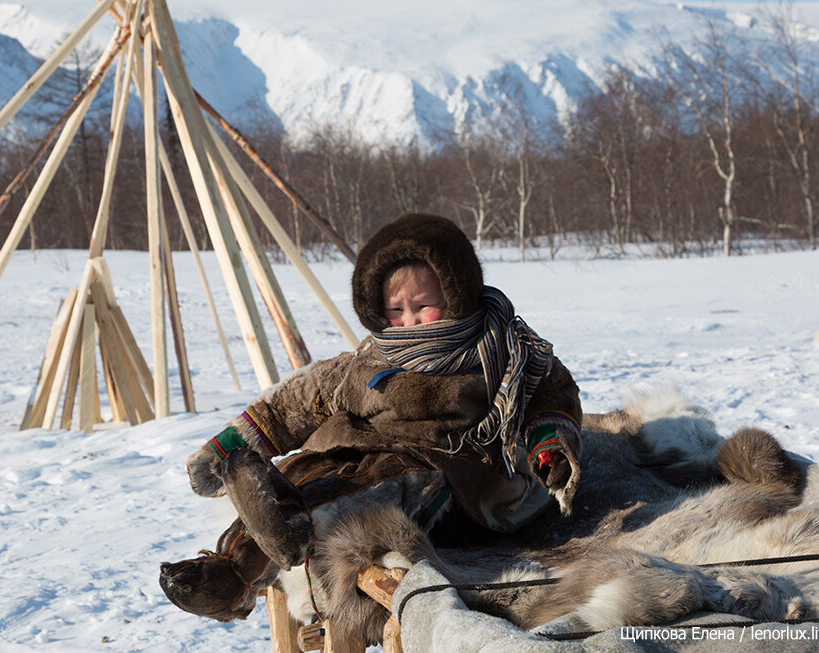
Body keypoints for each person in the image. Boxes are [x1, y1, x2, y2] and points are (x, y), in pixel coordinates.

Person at [160, 213, 583, 626]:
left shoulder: (504, 352)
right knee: (299, 472)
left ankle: (295, 542)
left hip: (444, 464)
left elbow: (550, 391)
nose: (410, 320)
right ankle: (231, 570)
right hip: (358, 445)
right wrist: (232, 443)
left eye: (423, 305)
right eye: (396, 310)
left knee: (359, 496)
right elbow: (303, 398)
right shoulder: (371, 357)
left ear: (458, 295)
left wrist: (548, 442)